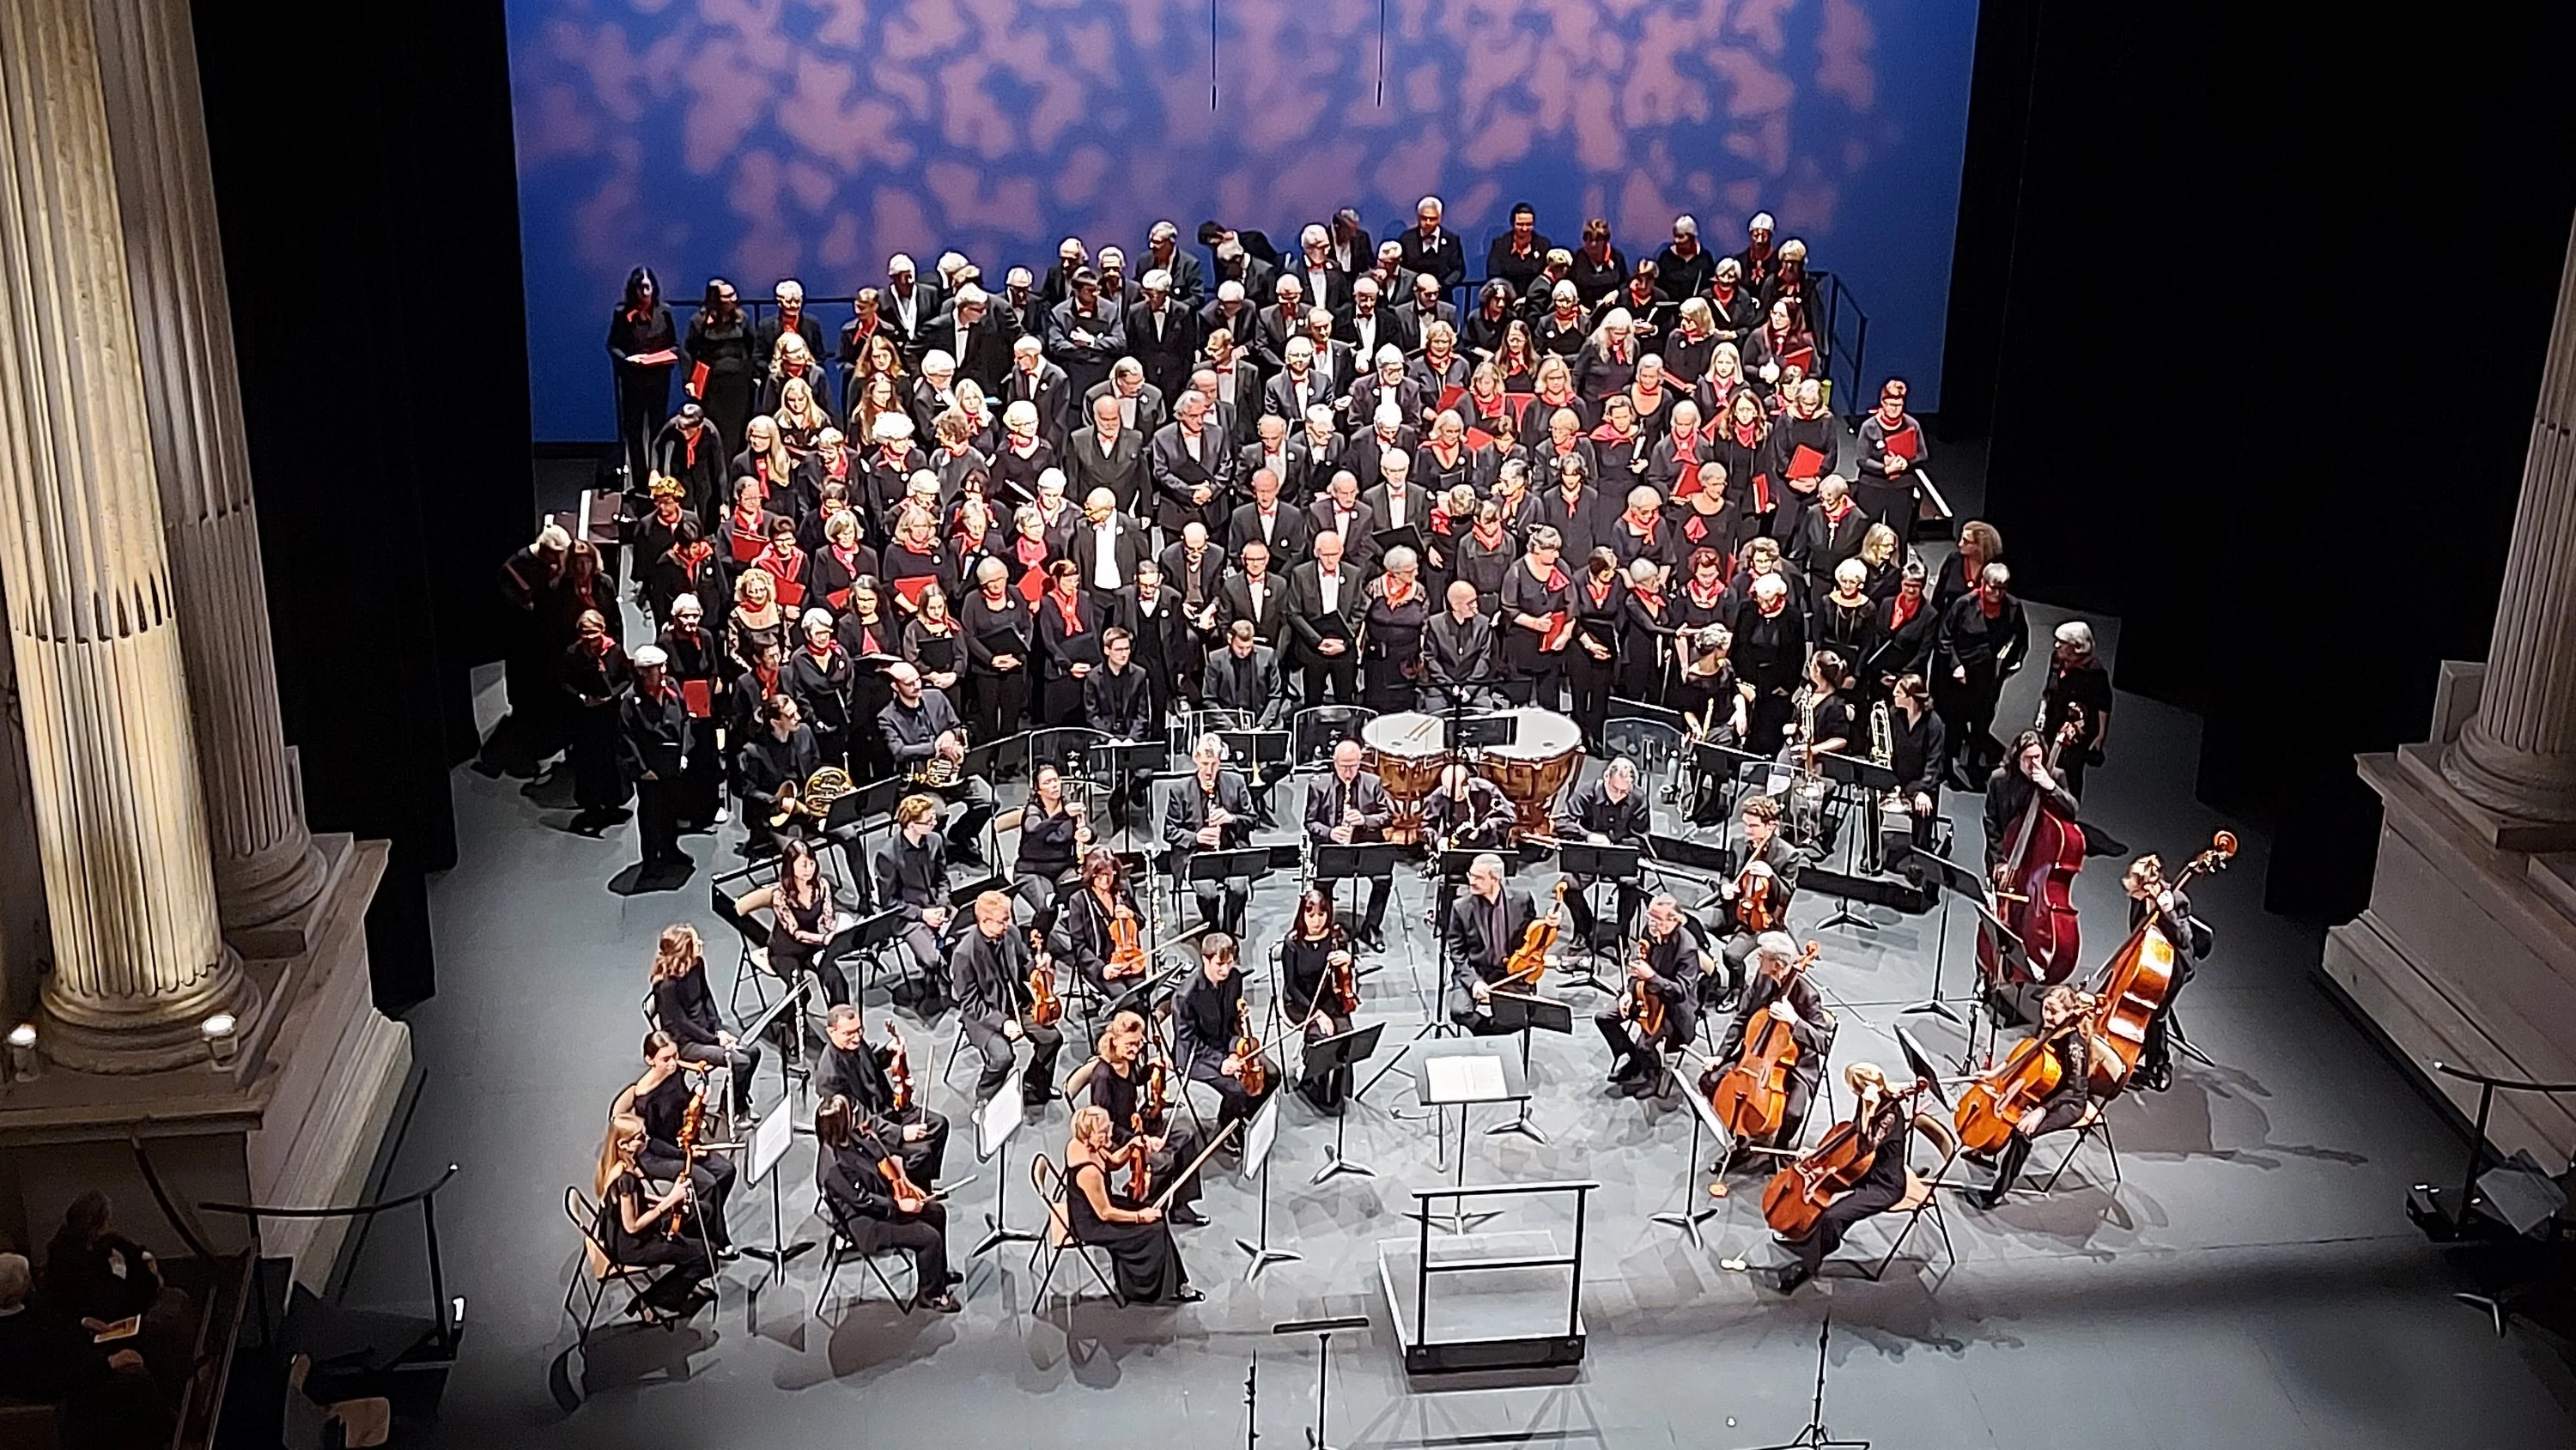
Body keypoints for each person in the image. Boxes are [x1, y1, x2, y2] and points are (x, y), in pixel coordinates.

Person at [1771, 1062, 1916, 1293]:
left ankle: (1808, 1266)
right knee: (1823, 1194)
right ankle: (1807, 1237)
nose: (1856, 1096)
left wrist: (1869, 1108)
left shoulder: (1889, 1115)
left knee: (1834, 1216)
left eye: (1856, 1091)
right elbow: (1853, 1136)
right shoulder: (1872, 1100)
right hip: (1864, 1169)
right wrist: (1818, 1154)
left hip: (1885, 1185)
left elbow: (1867, 1144)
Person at [813, 1095, 962, 1313]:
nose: (856, 1112)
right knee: (929, 1238)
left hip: (882, 1200)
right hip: (867, 1224)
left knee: (937, 1212)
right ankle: (931, 1296)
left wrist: (903, 1179)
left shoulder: (852, 1137)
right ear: (842, 1124)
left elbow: (878, 1157)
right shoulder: (834, 1167)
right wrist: (901, 1205)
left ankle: (937, 1274)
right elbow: (864, 1202)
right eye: (850, 1112)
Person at [1062, 1011, 1209, 1224]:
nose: (1136, 1048)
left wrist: (1155, 1067)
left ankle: (1180, 1205)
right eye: (1130, 1044)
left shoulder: (1127, 1059)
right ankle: (1145, 1203)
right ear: (1114, 1041)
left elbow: (1137, 1078)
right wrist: (1138, 1140)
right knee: (1162, 1162)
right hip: (1115, 1137)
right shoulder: (1103, 1077)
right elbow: (1104, 1125)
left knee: (1186, 1135)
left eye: (1139, 1042)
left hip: (1135, 1122)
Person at [1972, 986, 2110, 1208]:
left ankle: (1998, 1191)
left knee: (2022, 1132)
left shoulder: (2075, 1045)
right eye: (2045, 1008)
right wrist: (1995, 1074)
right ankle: (1985, 1149)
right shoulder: (2050, 1027)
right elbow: (2024, 1056)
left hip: (2068, 1103)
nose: (2047, 1016)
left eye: (2053, 1011)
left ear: (2069, 1012)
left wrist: (2041, 1111)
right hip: (2044, 1088)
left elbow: (2074, 1090)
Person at [1704, 932, 1832, 1159]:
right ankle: (1740, 1140)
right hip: (1754, 1058)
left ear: (1778, 964)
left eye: (1762, 956)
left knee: (1793, 1112)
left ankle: (1778, 1151)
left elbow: (1824, 1042)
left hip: (1794, 1065)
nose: (1756, 958)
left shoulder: (1808, 995)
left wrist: (1795, 1021)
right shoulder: (1761, 979)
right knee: (1710, 1080)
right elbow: (1742, 1019)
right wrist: (1720, 1056)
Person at [592, 1112, 717, 1326]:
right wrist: (668, 1202)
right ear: (624, 1144)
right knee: (705, 1254)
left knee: (701, 1211)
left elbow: (634, 1200)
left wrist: (662, 1200)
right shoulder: (625, 1178)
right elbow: (631, 1226)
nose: (646, 1140)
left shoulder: (623, 1163)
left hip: (632, 1231)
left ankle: (687, 1280)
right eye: (640, 1138)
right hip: (631, 1244)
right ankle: (648, 1301)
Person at [1064, 1104, 1198, 1303]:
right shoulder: (1088, 1171)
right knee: (1153, 1229)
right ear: (1089, 1135)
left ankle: (1175, 1283)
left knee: (1154, 1212)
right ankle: (1144, 1290)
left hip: (1097, 1205)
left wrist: (1132, 1144)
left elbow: (1113, 1162)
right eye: (1103, 1132)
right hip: (1092, 1223)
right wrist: (1139, 1216)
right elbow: (1105, 1213)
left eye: (1109, 1127)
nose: (1110, 1134)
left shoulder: (1086, 1144)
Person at [618, 1032, 738, 1256]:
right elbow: (653, 1142)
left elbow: (682, 1102)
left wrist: (699, 1097)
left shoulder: (674, 1072)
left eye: (675, 1056)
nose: (673, 1063)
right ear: (650, 1060)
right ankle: (718, 1238)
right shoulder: (646, 1098)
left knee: (726, 1170)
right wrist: (686, 1153)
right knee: (707, 1183)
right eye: (666, 1059)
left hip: (681, 1141)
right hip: (655, 1154)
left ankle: (702, 1216)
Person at [950, 889, 1064, 1105]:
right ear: (984, 921)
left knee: (1052, 1038)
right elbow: (970, 1003)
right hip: (985, 1014)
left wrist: (1037, 969)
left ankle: (1035, 1084)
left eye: (1008, 918)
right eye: (1002, 921)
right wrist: (1002, 1023)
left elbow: (1023, 963)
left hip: (1014, 1002)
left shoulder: (1010, 933)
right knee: (1003, 1057)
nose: (1008, 924)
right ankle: (985, 1100)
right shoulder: (964, 954)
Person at [814, 1004, 948, 1186]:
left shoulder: (856, 1042)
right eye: (849, 1033)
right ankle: (907, 1194)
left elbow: (869, 1065)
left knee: (939, 1124)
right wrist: (900, 1133)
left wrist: (890, 1052)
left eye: (859, 1030)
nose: (857, 1037)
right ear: (831, 1032)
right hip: (869, 1133)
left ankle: (921, 1183)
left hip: (887, 1109)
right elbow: (859, 1119)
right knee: (921, 1152)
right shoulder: (830, 1076)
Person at [1595, 893, 1705, 1095]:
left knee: (1646, 1044)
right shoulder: (1650, 931)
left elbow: (1681, 992)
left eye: (1656, 919)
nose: (1650, 923)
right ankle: (1632, 1059)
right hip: (1642, 993)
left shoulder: (1687, 948)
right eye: (1649, 917)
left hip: (1672, 1007)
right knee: (1604, 1018)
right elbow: (1641, 964)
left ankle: (1653, 1076)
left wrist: (1652, 976)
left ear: (1673, 920)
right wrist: (1628, 992)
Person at [1173, 933, 1273, 1141]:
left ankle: (1243, 1115)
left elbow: (1231, 1022)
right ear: (1205, 959)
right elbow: (1188, 1040)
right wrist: (1222, 1061)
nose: (1225, 970)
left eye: (1229, 963)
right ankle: (1227, 1128)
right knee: (1238, 1088)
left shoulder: (1234, 979)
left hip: (1225, 1042)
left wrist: (1239, 1044)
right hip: (1197, 1055)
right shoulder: (1186, 996)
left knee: (1271, 1074)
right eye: (1220, 964)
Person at [650, 925, 759, 1116]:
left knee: (754, 1053)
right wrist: (715, 1041)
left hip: (707, 1032)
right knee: (741, 1062)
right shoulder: (667, 986)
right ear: (684, 951)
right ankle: (733, 1110)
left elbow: (707, 998)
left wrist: (719, 1029)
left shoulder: (697, 964)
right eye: (695, 942)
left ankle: (734, 1099)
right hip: (687, 1043)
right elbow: (683, 1025)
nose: (700, 943)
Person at [1935, 561, 2029, 784]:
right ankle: (1947, 767)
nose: (1997, 593)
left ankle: (1975, 766)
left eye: (2003, 588)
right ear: (1983, 584)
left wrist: (2014, 663)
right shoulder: (1964, 604)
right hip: (1960, 676)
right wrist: (1956, 666)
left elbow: (2021, 639)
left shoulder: (2013, 607)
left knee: (1981, 722)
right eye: (1993, 587)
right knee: (1954, 723)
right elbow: (1945, 639)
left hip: (1989, 677)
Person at [740, 837, 852, 1014]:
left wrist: (837, 929)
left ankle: (840, 1023)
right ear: (790, 866)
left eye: (811, 863)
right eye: (803, 865)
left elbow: (827, 918)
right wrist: (823, 938)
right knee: (801, 992)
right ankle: (788, 1027)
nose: (808, 869)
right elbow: (796, 933)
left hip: (813, 948)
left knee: (836, 980)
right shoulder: (780, 896)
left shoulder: (822, 887)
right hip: (784, 952)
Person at [1305, 740, 1397, 949]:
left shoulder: (1372, 783)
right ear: (1334, 763)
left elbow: (1388, 816)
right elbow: (1310, 823)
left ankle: (1371, 927)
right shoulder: (1318, 785)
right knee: (1323, 881)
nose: (1349, 772)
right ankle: (1324, 928)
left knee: (1383, 879)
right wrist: (1331, 832)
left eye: (1353, 765)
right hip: (1333, 846)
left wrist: (1365, 820)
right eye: (1344, 766)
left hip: (1365, 843)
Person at [2123, 854, 2201, 1092]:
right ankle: (2135, 1049)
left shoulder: (2176, 899)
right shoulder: (2140, 899)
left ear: (2148, 886)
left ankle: (2158, 1066)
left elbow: (2183, 938)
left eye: (2132, 882)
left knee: (2155, 1014)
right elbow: (2136, 930)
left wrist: (2167, 913)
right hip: (2150, 957)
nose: (2127, 884)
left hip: (2173, 966)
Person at [1164, 736, 1256, 934]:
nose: (1209, 771)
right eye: (1205, 764)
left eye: (1214, 764)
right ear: (1196, 760)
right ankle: (1214, 931)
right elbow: (1169, 831)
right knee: (1207, 893)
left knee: (1239, 889)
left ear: (1220, 762)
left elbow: (1252, 819)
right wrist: (1196, 837)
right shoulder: (1179, 789)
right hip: (1196, 857)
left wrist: (1231, 819)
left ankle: (1229, 932)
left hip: (1230, 852)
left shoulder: (1236, 782)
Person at [1714, 795, 1801, 1004]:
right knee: (1694, 924)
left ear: (1771, 826)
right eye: (1745, 824)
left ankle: (1737, 989)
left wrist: (1771, 875)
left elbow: (1786, 895)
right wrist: (1725, 886)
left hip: (1760, 918)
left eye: (1753, 826)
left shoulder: (1788, 855)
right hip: (1733, 907)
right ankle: (1709, 975)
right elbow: (1727, 874)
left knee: (1732, 955)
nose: (1747, 831)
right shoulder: (1738, 844)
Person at [1555, 758, 1651, 944]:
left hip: (1618, 855)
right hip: (1589, 855)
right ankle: (1584, 928)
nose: (1619, 795)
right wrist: (1588, 836)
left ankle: (1621, 934)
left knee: (1631, 886)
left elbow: (1641, 837)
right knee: (1570, 887)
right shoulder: (1587, 793)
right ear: (1606, 777)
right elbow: (1562, 823)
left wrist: (1617, 846)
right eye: (1615, 789)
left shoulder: (1638, 799)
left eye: (1625, 791)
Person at [1280, 889, 1358, 1112]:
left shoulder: (1335, 938)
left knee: (1346, 1035)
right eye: (1311, 915)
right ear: (1302, 915)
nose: (1316, 921)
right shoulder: (1292, 943)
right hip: (1301, 1003)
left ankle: (1337, 1093)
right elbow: (1292, 987)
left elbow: (1345, 976)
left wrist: (1349, 960)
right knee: (1322, 1038)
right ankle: (1314, 1085)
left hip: (1329, 999)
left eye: (1322, 915)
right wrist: (1317, 1014)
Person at [1445, 852, 1540, 1034]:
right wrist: (1474, 982)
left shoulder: (1522, 900)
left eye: (1479, 878)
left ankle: (1488, 1038)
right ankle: (1489, 1036)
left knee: (1519, 1017)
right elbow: (1458, 954)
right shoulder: (1460, 907)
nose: (1471, 881)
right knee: (1459, 1011)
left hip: (1510, 972)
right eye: (1470, 875)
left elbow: (1533, 936)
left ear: (1496, 879)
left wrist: (1549, 924)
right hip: (1476, 971)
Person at [875, 793, 955, 1009]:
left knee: (966, 937)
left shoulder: (935, 840)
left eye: (933, 819)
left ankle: (953, 982)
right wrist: (923, 915)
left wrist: (942, 903)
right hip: (908, 916)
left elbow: (942, 879)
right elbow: (889, 903)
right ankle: (934, 984)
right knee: (931, 959)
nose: (934, 824)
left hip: (937, 907)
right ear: (911, 825)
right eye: (928, 821)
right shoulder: (888, 855)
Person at [620, 645, 690, 871]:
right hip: (650, 769)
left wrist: (684, 753)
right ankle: (651, 861)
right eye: (658, 668)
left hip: (673, 764)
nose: (663, 672)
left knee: (671, 810)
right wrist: (642, 770)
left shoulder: (671, 687)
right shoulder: (631, 701)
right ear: (644, 672)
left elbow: (685, 720)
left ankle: (670, 849)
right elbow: (626, 738)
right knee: (651, 815)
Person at [562, 610, 633, 831]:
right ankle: (591, 807)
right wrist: (583, 698)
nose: (591, 641)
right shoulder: (573, 653)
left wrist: (611, 695)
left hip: (609, 713)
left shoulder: (614, 650)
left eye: (594, 636)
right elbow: (564, 682)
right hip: (585, 716)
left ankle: (613, 803)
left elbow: (627, 678)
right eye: (586, 636)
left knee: (611, 759)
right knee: (588, 761)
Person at [1052, 846, 1150, 995]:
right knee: (1124, 996)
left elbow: (1141, 922)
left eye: (1108, 875)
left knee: (1142, 991)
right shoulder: (1079, 900)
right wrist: (1102, 969)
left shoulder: (1122, 891)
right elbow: (1079, 946)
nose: (1105, 880)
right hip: (1101, 965)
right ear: (1091, 874)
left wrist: (1131, 914)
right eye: (1099, 875)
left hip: (1129, 960)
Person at [2038, 619, 2116, 803]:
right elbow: (2049, 689)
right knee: (2048, 761)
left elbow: (2104, 705)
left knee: (2071, 769)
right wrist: (2042, 711)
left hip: (2077, 731)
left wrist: (2100, 736)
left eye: (2062, 643)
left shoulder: (2095, 674)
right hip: (2053, 720)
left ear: (2077, 647)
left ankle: (2069, 806)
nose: (2057, 645)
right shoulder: (2056, 659)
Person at [1003, 762, 1089, 925]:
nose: (1054, 785)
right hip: (1032, 870)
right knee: (1047, 907)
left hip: (1063, 867)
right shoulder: (1033, 810)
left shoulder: (1069, 806)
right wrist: (1063, 815)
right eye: (1047, 782)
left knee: (1083, 897)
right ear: (1038, 789)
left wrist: (1088, 835)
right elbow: (1035, 830)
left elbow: (1091, 831)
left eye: (1055, 780)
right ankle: (1039, 945)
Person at [1288, 528, 1366, 705]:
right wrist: (1318, 642)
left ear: (1342, 551)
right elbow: (1294, 612)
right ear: (1316, 553)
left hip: (1344, 648)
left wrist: (1345, 641)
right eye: (1325, 554)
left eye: (1335, 553)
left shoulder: (1353, 573)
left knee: (1346, 700)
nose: (1331, 559)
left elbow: (1358, 609)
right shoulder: (1300, 574)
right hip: (1313, 648)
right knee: (1312, 701)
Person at [738, 693, 822, 857]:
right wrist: (779, 801)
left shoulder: (804, 733)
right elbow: (749, 790)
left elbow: (815, 768)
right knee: (799, 850)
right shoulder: (753, 750)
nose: (798, 717)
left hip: (808, 808)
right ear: (775, 722)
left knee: (849, 834)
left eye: (796, 712)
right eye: (791, 716)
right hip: (775, 815)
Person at [1501, 525, 1572, 706]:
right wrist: (1534, 623)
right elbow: (1509, 607)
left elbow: (1572, 606)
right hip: (1523, 643)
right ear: (1536, 549)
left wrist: (1565, 635)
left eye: (1557, 550)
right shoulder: (1516, 571)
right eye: (1551, 551)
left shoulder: (1562, 567)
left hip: (1552, 643)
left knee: (1550, 699)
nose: (1556, 555)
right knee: (1520, 698)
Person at [1423, 579, 1498, 713]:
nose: (1476, 606)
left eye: (1476, 600)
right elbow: (1430, 659)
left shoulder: (1484, 624)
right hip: (1441, 686)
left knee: (1485, 713)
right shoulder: (1435, 624)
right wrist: (1451, 687)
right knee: (1435, 717)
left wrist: (1468, 689)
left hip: (1475, 686)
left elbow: (1484, 660)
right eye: (1470, 603)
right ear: (1456, 606)